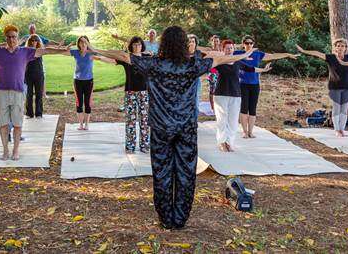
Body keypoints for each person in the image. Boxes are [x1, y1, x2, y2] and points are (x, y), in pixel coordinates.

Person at [93, 26, 255, 229]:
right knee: (186, 174)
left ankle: (165, 219)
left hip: (161, 129)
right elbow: (221, 59)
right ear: (182, 44)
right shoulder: (192, 64)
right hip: (185, 129)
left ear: (164, 43)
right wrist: (245, 54)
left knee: (161, 173)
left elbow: (123, 56)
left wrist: (95, 49)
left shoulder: (153, 64)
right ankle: (179, 220)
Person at [0, 25, 67, 161]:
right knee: (3, 124)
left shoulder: (25, 52)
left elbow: (45, 51)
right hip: (2, 92)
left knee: (18, 124)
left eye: (14, 37)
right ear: (5, 38)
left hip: (18, 92)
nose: (11, 39)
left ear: (18, 38)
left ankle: (15, 151)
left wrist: (60, 50)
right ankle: (5, 151)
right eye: (9, 37)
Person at [297, 40, 348, 137]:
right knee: (337, 108)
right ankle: (336, 130)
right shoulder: (330, 57)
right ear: (335, 47)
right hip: (334, 87)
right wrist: (304, 51)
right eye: (338, 46)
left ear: (345, 48)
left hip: (347, 87)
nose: (340, 48)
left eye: (342, 46)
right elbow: (317, 53)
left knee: (344, 109)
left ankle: (342, 130)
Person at [89, 36, 150, 153]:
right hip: (130, 92)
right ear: (131, 46)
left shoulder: (147, 58)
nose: (137, 46)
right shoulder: (127, 58)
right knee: (131, 120)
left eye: (139, 44)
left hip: (144, 92)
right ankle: (130, 146)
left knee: (145, 120)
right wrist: (98, 58)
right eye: (135, 45)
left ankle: (145, 145)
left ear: (142, 46)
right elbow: (112, 60)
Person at [235, 35, 299, 138]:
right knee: (244, 108)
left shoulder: (257, 54)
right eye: (246, 43)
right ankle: (244, 132)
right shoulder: (238, 54)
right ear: (243, 44)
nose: (249, 45)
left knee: (252, 108)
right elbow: (226, 52)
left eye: (251, 43)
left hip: (255, 85)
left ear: (253, 44)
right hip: (243, 84)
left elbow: (273, 56)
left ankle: (250, 131)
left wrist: (287, 54)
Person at [212, 39, 269, 152]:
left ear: (234, 49)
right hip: (221, 94)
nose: (229, 50)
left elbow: (250, 69)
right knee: (222, 120)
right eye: (227, 48)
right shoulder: (219, 61)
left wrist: (264, 69)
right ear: (223, 50)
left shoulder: (238, 61)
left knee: (232, 121)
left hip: (235, 94)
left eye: (231, 48)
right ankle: (222, 142)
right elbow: (209, 66)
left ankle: (229, 142)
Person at [57, 36, 114, 130]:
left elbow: (98, 53)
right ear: (78, 43)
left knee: (87, 103)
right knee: (79, 103)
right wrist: (68, 46)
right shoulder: (75, 52)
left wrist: (87, 43)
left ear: (88, 43)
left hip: (89, 81)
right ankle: (80, 124)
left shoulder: (91, 53)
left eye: (85, 42)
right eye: (81, 42)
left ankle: (87, 124)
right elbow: (63, 52)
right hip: (77, 81)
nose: (83, 44)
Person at [25, 34, 45, 118]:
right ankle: (29, 113)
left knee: (39, 94)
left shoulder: (40, 50)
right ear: (29, 42)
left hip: (39, 74)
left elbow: (50, 50)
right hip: (28, 75)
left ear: (38, 42)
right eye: (32, 41)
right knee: (29, 95)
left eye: (35, 40)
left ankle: (39, 113)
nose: (33, 42)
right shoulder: (26, 51)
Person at [207, 34, 222, 112]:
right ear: (211, 42)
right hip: (212, 72)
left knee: (220, 89)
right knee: (212, 90)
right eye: (214, 41)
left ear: (219, 42)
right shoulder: (210, 51)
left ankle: (219, 106)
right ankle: (212, 107)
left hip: (221, 72)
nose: (216, 42)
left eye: (217, 41)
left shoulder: (222, 51)